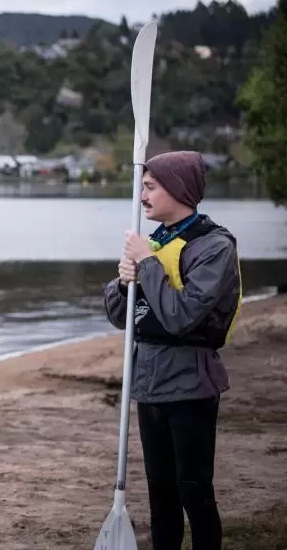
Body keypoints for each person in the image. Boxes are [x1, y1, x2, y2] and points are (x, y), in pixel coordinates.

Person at [103, 150, 243, 550]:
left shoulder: (214, 247)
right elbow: (119, 317)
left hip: (191, 386)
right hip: (148, 384)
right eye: (142, 186)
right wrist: (124, 282)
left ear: (178, 189)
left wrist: (146, 262)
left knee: (194, 492)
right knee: (160, 496)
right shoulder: (155, 243)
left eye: (150, 187)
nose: (141, 195)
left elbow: (182, 317)